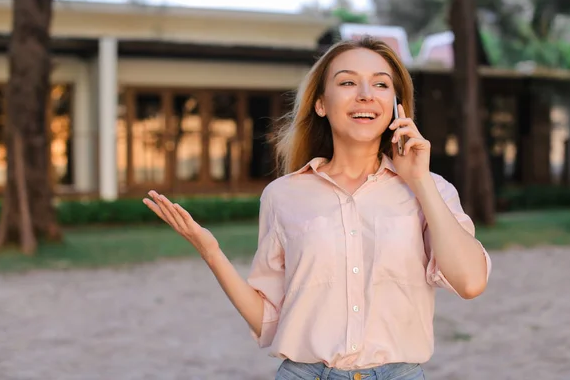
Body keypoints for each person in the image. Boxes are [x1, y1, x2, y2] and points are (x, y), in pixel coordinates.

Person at [143, 36, 492, 380]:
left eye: (381, 85)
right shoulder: (283, 196)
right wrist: (211, 251)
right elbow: (269, 319)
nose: (366, 94)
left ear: (397, 105)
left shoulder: (432, 190)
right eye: (348, 82)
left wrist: (420, 181)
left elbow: (471, 282)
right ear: (321, 103)